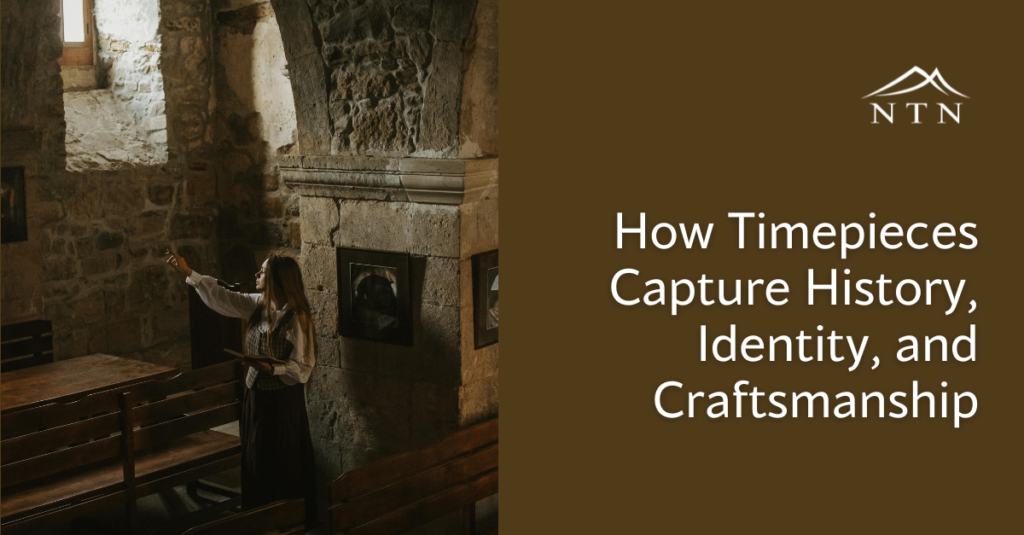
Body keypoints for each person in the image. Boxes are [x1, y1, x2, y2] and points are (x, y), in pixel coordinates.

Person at [165, 250, 318, 527]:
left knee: (280, 460)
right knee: (255, 457)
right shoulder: (259, 304)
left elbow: (304, 368)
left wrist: (274, 369)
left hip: (282, 402)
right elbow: (225, 298)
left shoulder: (297, 318)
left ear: (278, 280)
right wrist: (189, 273)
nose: (257, 276)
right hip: (255, 397)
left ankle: (285, 522)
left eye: (262, 272)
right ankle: (257, 518)